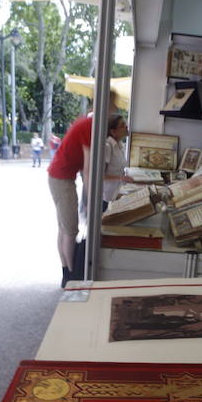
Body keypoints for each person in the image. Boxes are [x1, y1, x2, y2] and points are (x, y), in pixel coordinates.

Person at [47, 93, 117, 287]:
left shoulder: (88, 123)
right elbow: (88, 169)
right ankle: (71, 277)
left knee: (64, 228)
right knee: (70, 230)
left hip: (59, 176)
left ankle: (66, 272)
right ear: (105, 105)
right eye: (113, 104)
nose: (115, 108)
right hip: (62, 178)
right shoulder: (90, 126)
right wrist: (91, 200)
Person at [102, 114, 131, 209]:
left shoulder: (119, 145)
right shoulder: (107, 146)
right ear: (113, 132)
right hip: (106, 197)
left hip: (116, 194)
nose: (126, 126)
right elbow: (100, 176)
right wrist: (121, 178)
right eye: (122, 125)